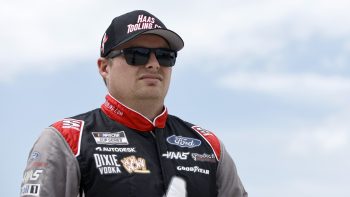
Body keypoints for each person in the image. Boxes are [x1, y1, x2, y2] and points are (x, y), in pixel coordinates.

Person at [20, 10, 248, 197]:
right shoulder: (66, 139)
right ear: (104, 67)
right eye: (137, 54)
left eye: (165, 55)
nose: (153, 64)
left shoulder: (209, 147)